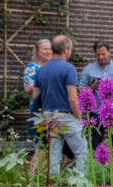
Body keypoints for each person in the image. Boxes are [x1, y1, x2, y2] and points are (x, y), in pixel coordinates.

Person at [33, 35, 87, 175]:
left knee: (54, 155)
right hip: (66, 116)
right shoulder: (69, 68)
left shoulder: (42, 69)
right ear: (66, 49)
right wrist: (79, 118)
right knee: (82, 153)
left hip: (48, 118)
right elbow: (73, 98)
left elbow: (35, 96)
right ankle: (81, 186)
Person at [79, 40, 113, 155]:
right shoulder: (88, 69)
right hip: (96, 111)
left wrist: (110, 87)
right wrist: (93, 87)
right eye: (98, 54)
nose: (100, 57)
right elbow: (81, 89)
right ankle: (97, 167)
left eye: (103, 54)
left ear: (109, 52)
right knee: (95, 142)